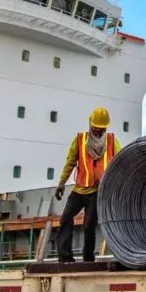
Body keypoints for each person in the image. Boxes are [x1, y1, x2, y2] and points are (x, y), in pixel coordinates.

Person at [55, 107, 120, 263]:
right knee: (65, 219)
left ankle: (88, 259)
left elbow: (121, 161)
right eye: (95, 129)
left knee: (89, 226)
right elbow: (70, 162)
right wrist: (61, 183)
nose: (97, 133)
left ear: (105, 128)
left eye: (100, 130)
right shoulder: (79, 140)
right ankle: (65, 257)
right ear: (90, 125)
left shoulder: (111, 141)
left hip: (97, 191)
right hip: (79, 190)